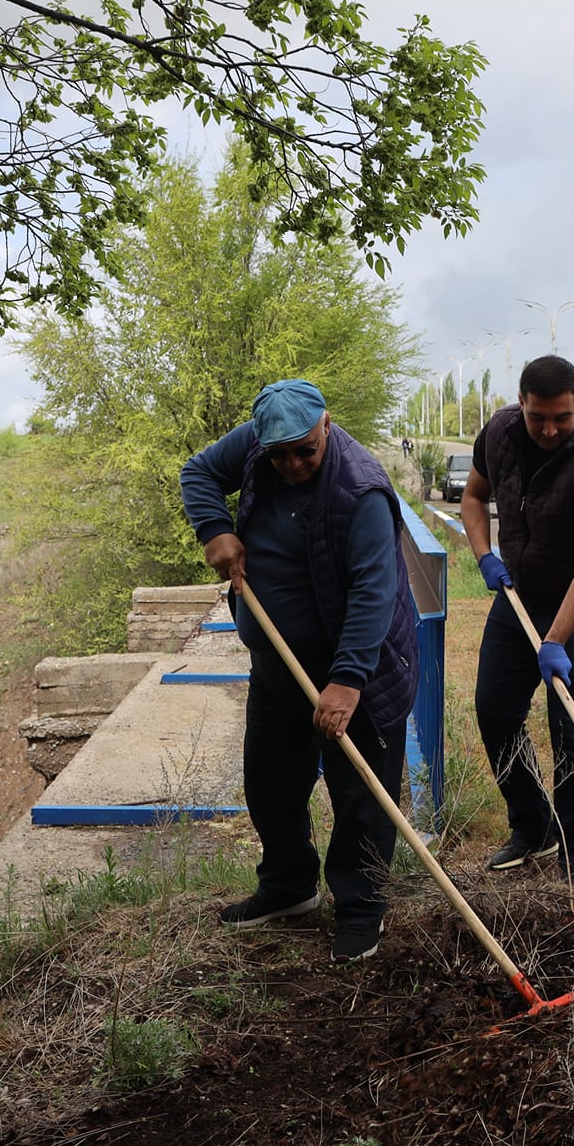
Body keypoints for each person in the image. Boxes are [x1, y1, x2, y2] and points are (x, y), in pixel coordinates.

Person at [180, 380, 417, 959]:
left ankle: (362, 910)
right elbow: (198, 472)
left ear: (326, 426)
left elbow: (372, 592)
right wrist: (214, 528)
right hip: (278, 666)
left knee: (361, 797)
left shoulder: (360, 491)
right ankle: (288, 888)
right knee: (270, 783)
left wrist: (347, 680)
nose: (290, 464)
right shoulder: (259, 446)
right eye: (278, 454)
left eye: (304, 451)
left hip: (356, 671)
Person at [463, 355, 574, 886]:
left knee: (572, 726)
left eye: (562, 416)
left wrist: (556, 640)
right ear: (522, 404)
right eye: (539, 418)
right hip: (522, 594)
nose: (551, 429)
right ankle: (535, 826)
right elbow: (473, 496)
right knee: (494, 709)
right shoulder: (498, 432)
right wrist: (484, 554)